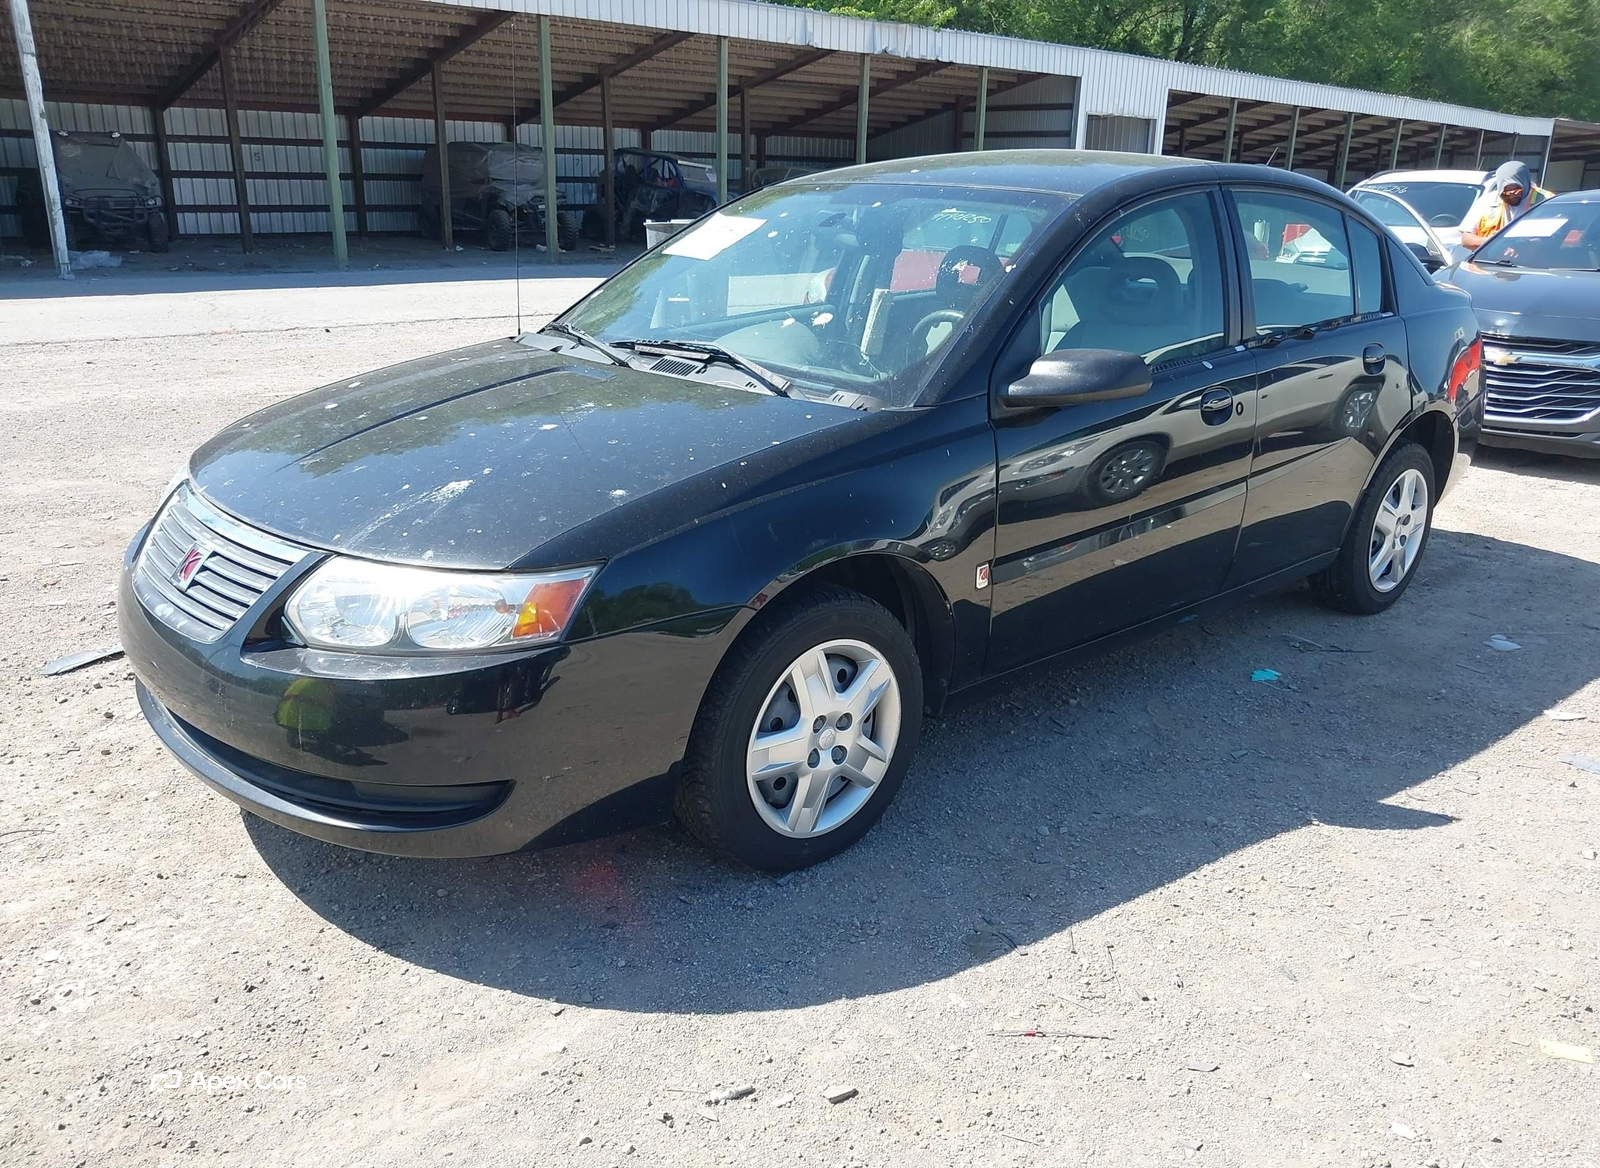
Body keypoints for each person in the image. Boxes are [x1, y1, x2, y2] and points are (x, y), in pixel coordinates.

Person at [1461, 161, 1552, 249]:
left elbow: (1555, 240)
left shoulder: (1547, 201)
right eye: (1506, 193)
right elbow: (1466, 239)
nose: (1512, 196)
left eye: (1516, 191)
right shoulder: (1488, 201)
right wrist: (1494, 242)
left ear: (1525, 184)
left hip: (1529, 262)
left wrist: (1521, 244)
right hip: (1489, 261)